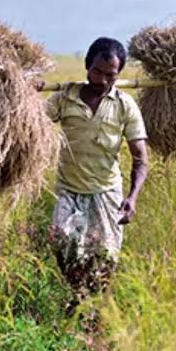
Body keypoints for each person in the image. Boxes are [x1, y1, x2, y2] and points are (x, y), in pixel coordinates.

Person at [43, 37, 149, 310]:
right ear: (87, 66)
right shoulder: (64, 98)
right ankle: (76, 299)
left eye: (110, 75)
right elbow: (33, 124)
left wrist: (132, 197)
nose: (102, 80)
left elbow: (141, 159)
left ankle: (93, 312)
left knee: (104, 258)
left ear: (118, 74)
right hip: (69, 188)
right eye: (97, 72)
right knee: (64, 246)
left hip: (106, 192)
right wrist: (27, 95)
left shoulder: (125, 106)